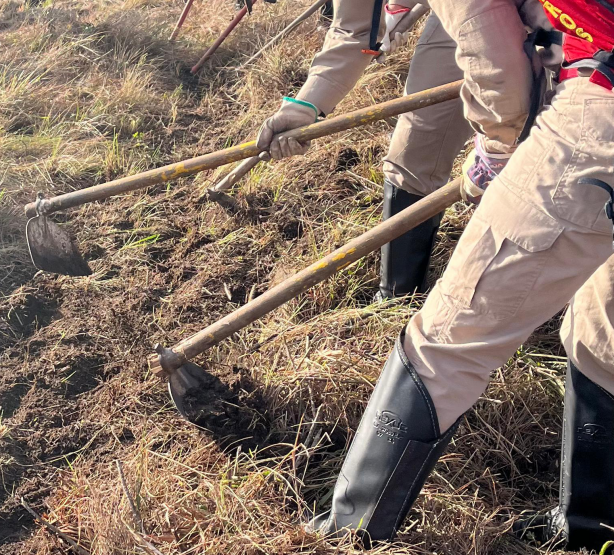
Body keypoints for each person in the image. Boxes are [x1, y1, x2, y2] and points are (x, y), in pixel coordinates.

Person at [305, 0, 614, 550]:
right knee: (602, 330)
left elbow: (498, 68)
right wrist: (303, 104)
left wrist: (497, 149)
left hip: (602, 116)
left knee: (449, 341)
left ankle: (348, 536)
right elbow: (357, 27)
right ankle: (591, 531)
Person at [256, 0, 474, 300]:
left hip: (552, 19)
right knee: (416, 147)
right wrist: (307, 105)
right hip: (460, 11)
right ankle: (397, 297)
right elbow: (352, 27)